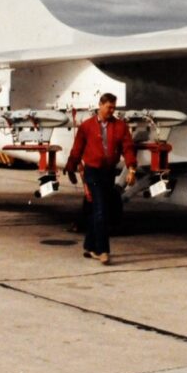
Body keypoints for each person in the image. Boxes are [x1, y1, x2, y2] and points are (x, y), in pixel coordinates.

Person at [65, 93, 136, 265]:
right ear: (100, 105)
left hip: (108, 172)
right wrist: (70, 167)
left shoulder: (120, 126)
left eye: (113, 108)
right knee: (101, 210)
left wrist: (131, 168)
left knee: (95, 209)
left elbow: (127, 148)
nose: (111, 111)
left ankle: (89, 246)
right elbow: (77, 149)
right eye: (108, 107)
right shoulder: (87, 126)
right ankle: (102, 250)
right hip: (92, 172)